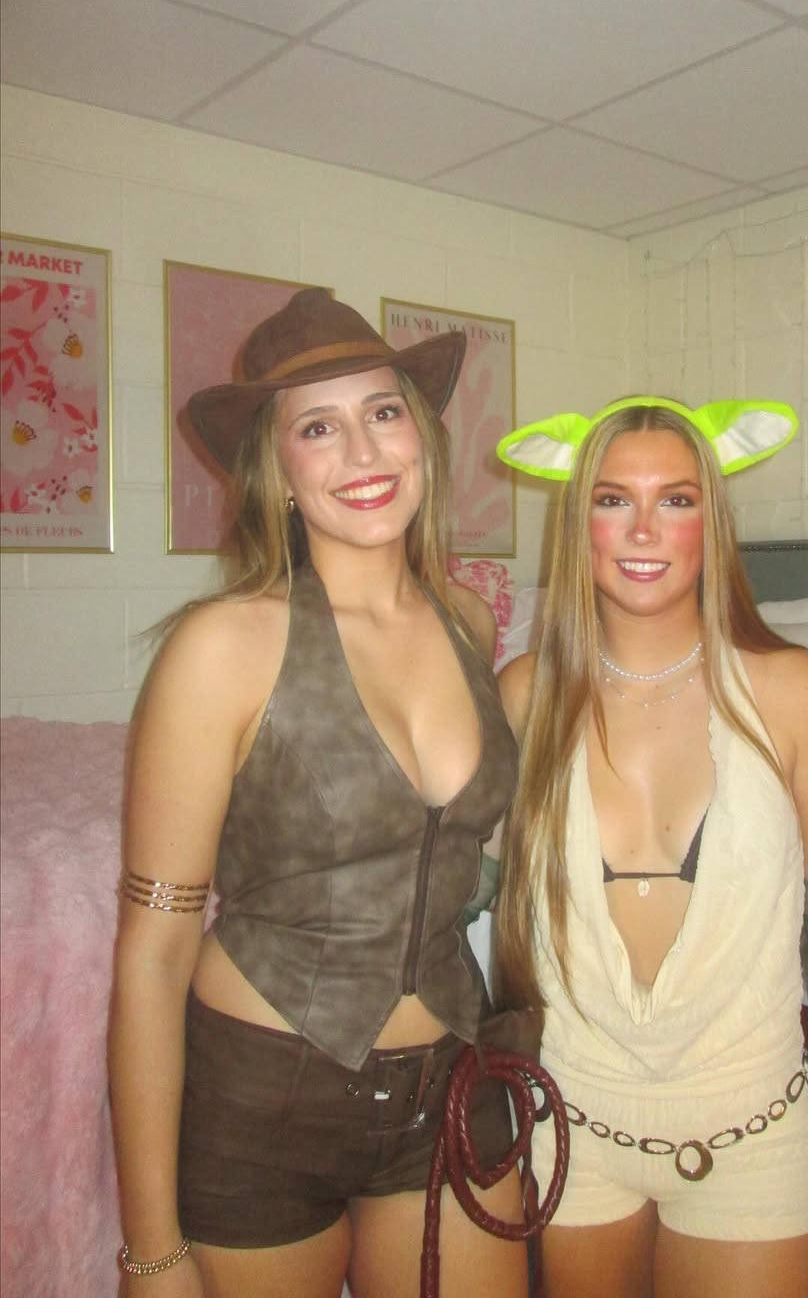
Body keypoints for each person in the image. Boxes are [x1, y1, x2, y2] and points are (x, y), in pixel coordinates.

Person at [493, 396, 808, 1298]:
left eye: (675, 500)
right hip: (574, 1125)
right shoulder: (527, 696)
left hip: (751, 1134)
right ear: (577, 524)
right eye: (612, 499)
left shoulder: (795, 693)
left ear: (711, 521)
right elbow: (459, 885)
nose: (643, 529)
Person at [108, 289, 528, 1298]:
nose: (364, 452)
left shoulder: (468, 622)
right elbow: (154, 953)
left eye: (383, 412)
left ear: (421, 436)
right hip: (264, 1103)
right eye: (317, 428)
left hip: (452, 1079)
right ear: (279, 472)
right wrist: (151, 1252)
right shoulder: (221, 647)